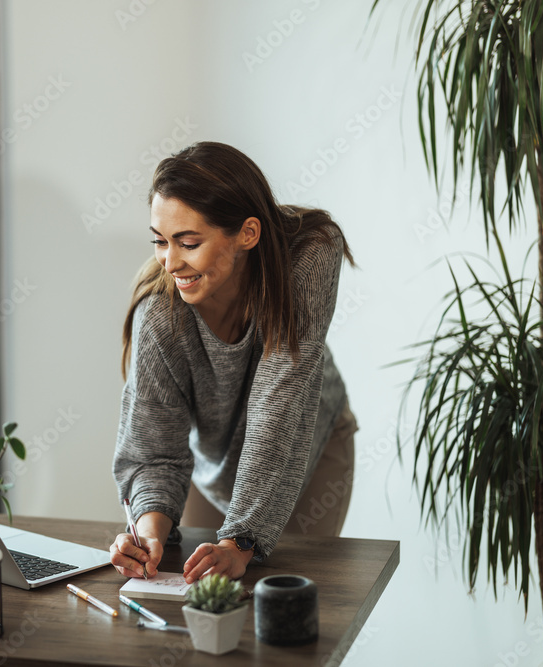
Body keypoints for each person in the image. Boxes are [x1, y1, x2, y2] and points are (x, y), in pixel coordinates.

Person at [110, 141, 357, 584]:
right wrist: (147, 532)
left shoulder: (309, 255)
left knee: (287, 611)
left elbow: (279, 398)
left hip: (310, 447)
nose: (170, 262)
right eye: (160, 242)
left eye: (188, 242)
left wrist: (241, 540)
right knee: (203, 601)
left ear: (247, 233)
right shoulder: (160, 319)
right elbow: (154, 450)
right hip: (215, 467)